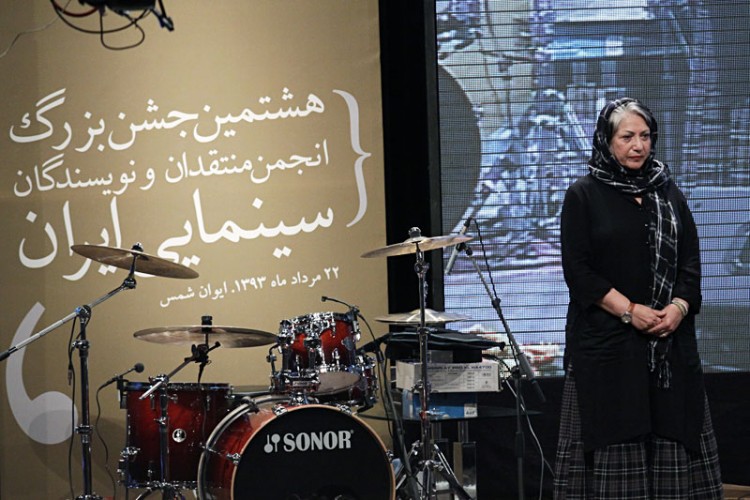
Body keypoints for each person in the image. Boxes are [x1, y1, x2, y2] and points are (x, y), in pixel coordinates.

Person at [553, 98, 723, 498]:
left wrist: (678, 308)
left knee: (672, 438)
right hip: (608, 348)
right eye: (627, 136)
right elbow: (579, 273)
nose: (638, 145)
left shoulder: (668, 192)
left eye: (645, 136)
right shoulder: (583, 195)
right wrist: (630, 311)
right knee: (616, 444)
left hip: (669, 346)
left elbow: (691, 263)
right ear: (607, 140)